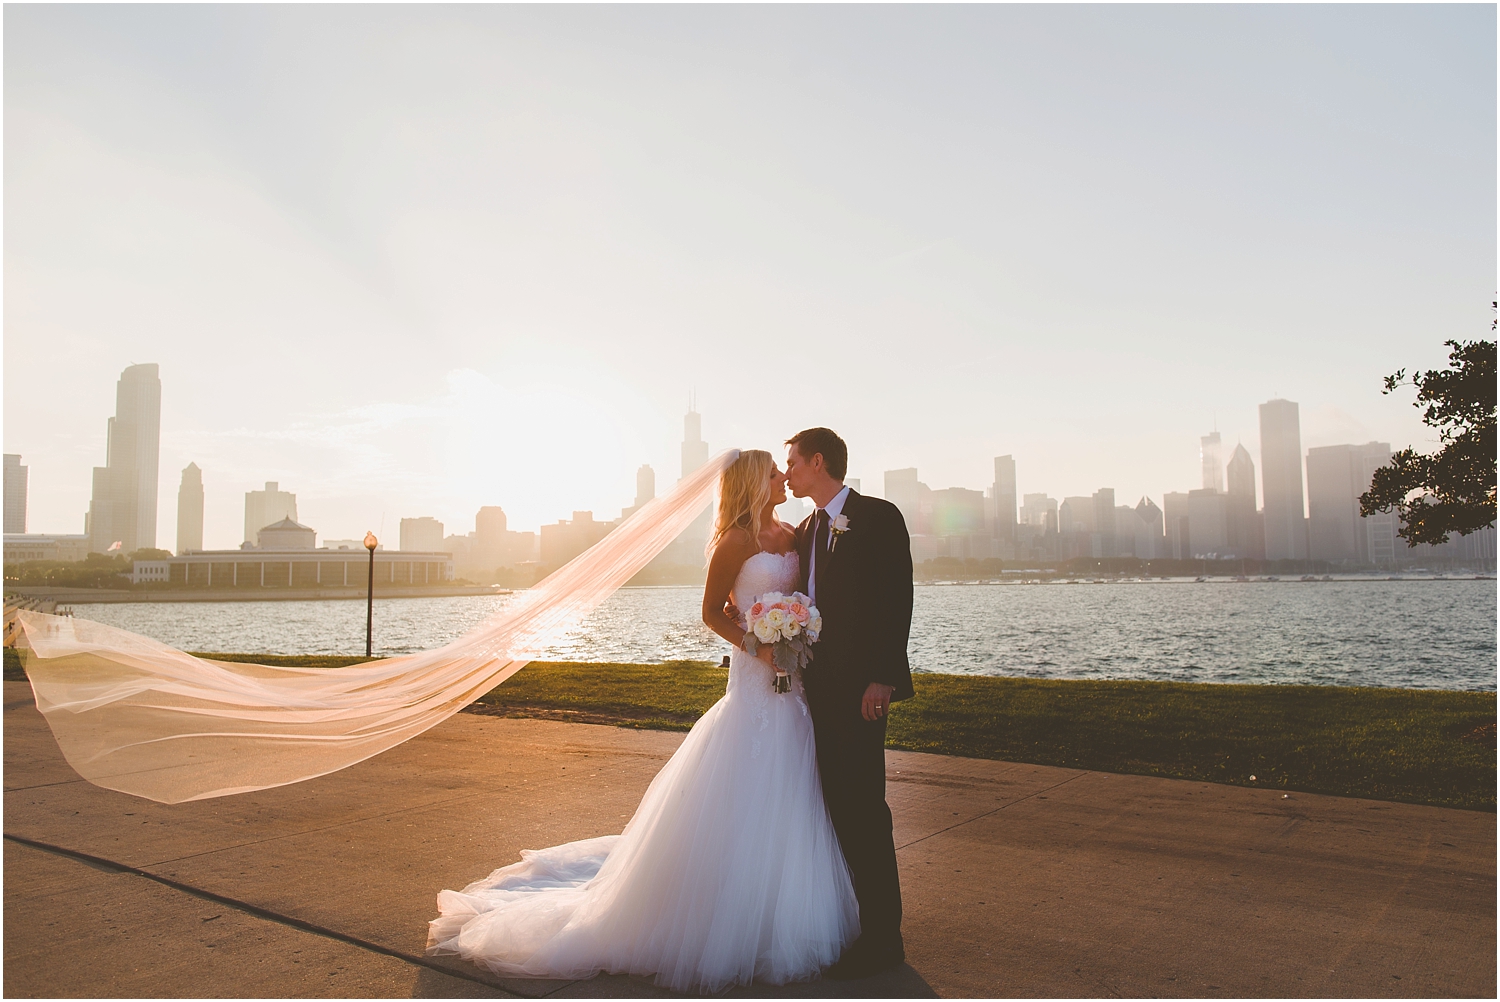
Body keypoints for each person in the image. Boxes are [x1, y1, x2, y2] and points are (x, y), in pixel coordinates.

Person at [426, 450, 858, 993]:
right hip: (754, 678)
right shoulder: (735, 542)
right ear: (753, 483)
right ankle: (723, 917)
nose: (781, 478)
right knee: (746, 791)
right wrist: (758, 644)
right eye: (773, 471)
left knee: (793, 789)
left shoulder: (793, 534)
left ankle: (781, 908)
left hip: (793, 687)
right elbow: (710, 611)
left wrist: (793, 636)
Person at [784, 426, 915, 979]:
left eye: (792, 462)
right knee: (836, 808)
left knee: (865, 810)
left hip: (862, 691)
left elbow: (896, 599)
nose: (787, 472)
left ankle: (885, 938)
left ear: (818, 462)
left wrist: (883, 678)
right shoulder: (807, 528)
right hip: (817, 691)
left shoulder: (878, 517)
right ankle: (854, 922)